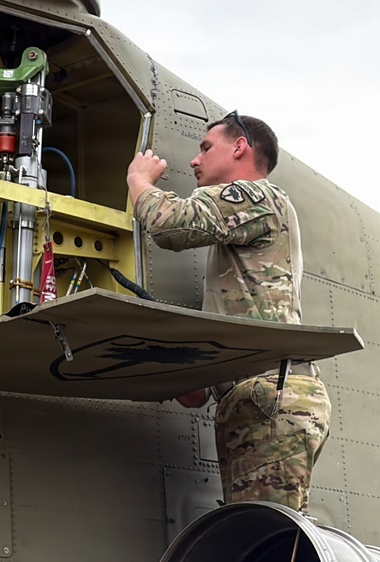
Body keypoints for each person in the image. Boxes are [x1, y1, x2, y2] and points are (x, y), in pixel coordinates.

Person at [126, 112, 330, 514]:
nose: (194, 161)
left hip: (270, 395)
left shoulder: (258, 197)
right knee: (255, 534)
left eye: (205, 148)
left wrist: (139, 179)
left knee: (264, 538)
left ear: (239, 148)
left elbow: (170, 226)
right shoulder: (238, 254)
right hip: (258, 398)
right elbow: (200, 390)